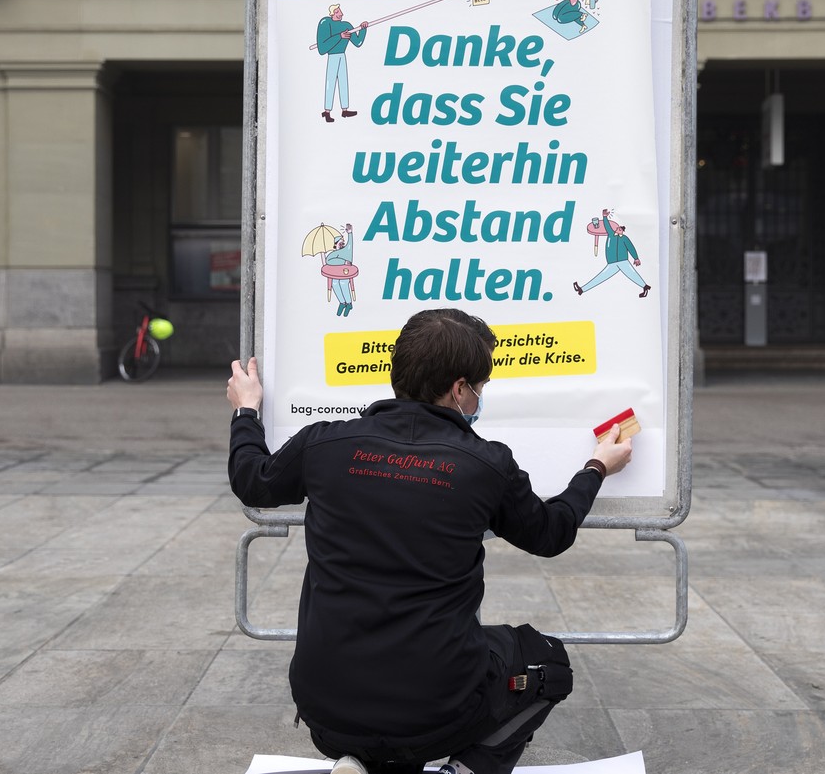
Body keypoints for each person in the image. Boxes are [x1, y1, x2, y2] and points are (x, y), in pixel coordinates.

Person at [226, 308, 633, 774]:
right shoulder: (485, 465)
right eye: (480, 386)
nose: (480, 397)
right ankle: (461, 770)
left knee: (398, 706)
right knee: (549, 666)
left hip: (326, 709)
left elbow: (251, 479)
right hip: (439, 710)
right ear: (460, 389)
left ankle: (360, 763)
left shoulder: (324, 445)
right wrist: (596, 467)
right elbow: (552, 532)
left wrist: (246, 409)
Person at [574, 209, 650, 298]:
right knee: (601, 277)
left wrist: (636, 258)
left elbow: (631, 248)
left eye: (620, 229)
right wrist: (605, 217)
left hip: (623, 261)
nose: (618, 230)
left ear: (622, 231)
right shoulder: (611, 234)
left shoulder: (624, 238)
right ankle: (582, 289)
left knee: (632, 275)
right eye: (618, 229)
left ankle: (645, 287)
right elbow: (607, 226)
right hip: (612, 263)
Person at [317, 4, 369, 122]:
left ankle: (344, 110)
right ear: (332, 14)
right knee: (331, 83)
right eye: (338, 12)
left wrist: (363, 29)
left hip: (342, 55)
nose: (341, 14)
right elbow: (322, 48)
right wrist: (339, 36)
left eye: (340, 11)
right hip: (332, 56)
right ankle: (327, 112)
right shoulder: (325, 23)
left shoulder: (346, 25)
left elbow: (358, 42)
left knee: (343, 81)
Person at [326, 224, 357, 317]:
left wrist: (350, 233)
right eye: (340, 243)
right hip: (336, 274)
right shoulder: (333, 254)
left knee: (343, 284)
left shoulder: (347, 250)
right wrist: (343, 261)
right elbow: (328, 260)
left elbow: (350, 243)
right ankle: (342, 302)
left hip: (346, 273)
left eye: (343, 242)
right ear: (336, 245)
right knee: (335, 283)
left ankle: (349, 303)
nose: (342, 244)